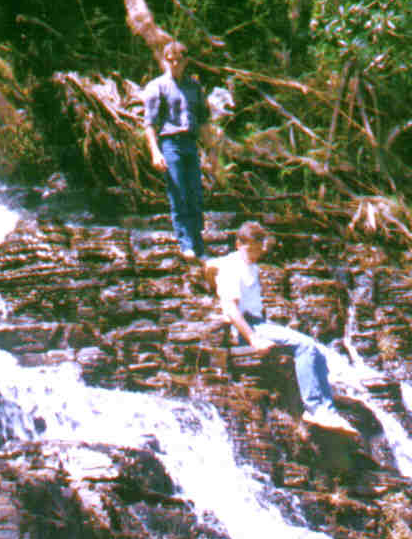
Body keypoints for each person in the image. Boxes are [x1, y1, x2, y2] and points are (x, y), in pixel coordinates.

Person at [205, 221, 358, 436]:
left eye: (259, 250)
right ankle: (315, 409)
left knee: (316, 350)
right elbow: (230, 308)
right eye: (251, 249)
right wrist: (252, 339)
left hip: (259, 322)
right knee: (305, 346)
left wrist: (210, 279)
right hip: (247, 327)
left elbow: (209, 266)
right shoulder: (232, 267)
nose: (255, 254)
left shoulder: (246, 263)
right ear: (238, 243)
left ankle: (328, 410)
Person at [142, 40, 206, 257]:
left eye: (179, 61)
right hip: (170, 144)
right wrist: (155, 152)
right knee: (178, 193)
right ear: (165, 60)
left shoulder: (195, 87)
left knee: (195, 194)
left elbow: (204, 121)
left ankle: (198, 244)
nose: (175, 65)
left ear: (186, 61)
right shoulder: (157, 86)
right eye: (170, 61)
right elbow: (149, 124)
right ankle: (186, 244)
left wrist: (212, 153)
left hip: (190, 144)